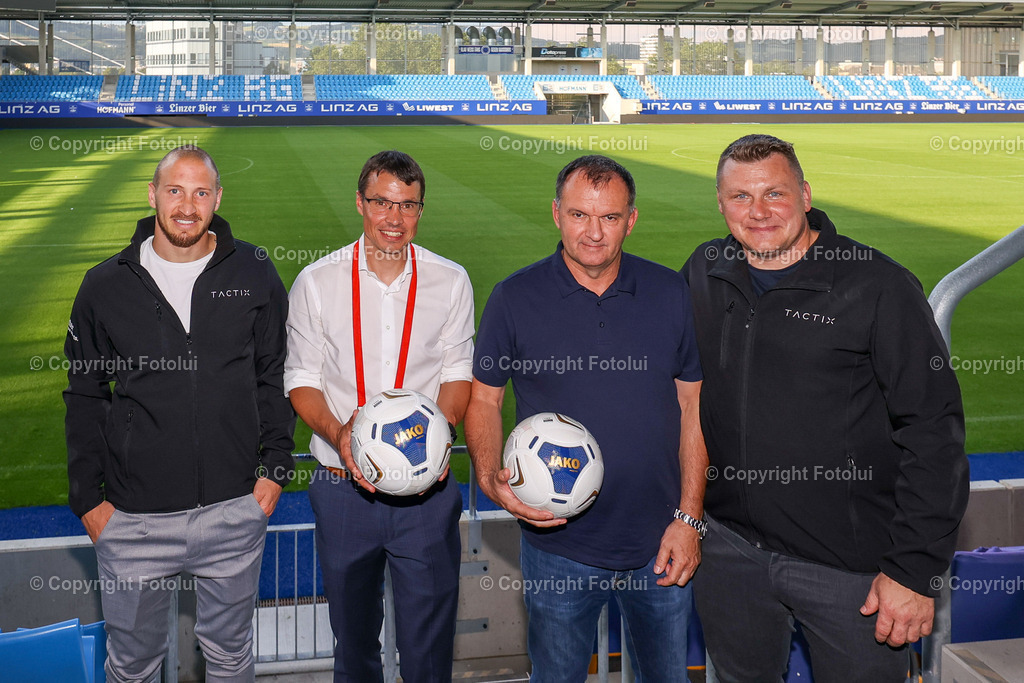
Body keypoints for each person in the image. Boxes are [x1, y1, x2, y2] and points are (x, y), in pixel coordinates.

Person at [682, 133, 969, 683]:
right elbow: (676, 387)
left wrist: (913, 571)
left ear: (806, 195)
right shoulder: (705, 270)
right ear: (720, 203)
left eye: (775, 193)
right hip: (732, 555)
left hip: (851, 574)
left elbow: (934, 433)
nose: (758, 211)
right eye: (741, 197)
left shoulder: (878, 286)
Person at [465, 155, 706, 683]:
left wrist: (689, 520)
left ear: (631, 220)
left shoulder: (670, 292)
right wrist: (486, 476)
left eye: (610, 217)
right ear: (557, 213)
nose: (593, 233)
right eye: (579, 215)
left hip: (661, 542)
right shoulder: (514, 297)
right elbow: (484, 401)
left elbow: (693, 409)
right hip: (558, 547)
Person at [64, 146, 295, 683]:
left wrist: (275, 470)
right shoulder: (104, 284)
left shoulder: (255, 270)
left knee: (231, 658)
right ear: (152, 195)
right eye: (174, 190)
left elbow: (275, 374)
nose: (187, 206)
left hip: (234, 510)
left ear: (218, 198)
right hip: (133, 520)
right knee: (132, 666)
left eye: (200, 192)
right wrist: (89, 501)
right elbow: (85, 395)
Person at [284, 150, 474, 683]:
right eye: (382, 203)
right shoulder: (317, 282)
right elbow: (301, 379)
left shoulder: (450, 280)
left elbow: (458, 372)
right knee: (354, 647)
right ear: (360, 204)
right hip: (343, 490)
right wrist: (339, 434)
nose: (394, 218)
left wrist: (438, 438)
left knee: (428, 652)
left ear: (421, 210)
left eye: (408, 205)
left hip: (426, 497)